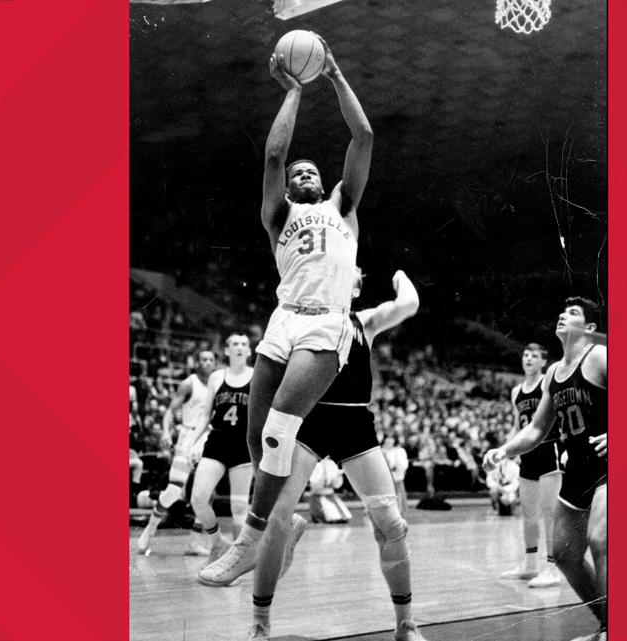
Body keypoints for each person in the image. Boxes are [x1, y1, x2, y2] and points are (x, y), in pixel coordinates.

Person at [199, 36, 373, 586]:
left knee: (279, 426)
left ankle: (248, 542)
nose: (302, 174)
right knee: (257, 442)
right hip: (283, 318)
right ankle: (283, 520)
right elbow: (274, 154)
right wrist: (295, 91)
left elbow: (363, 135)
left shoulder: (342, 206)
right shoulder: (279, 216)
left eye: (309, 171)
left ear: (323, 182)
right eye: (297, 174)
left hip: (326, 321)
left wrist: (335, 76)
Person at [242, 270, 426, 641]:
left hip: (355, 423)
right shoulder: (299, 320)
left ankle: (405, 623)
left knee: (391, 523)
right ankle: (260, 625)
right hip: (309, 420)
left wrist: (401, 275)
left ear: (356, 288)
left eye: (351, 275)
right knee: (277, 520)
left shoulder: (365, 321)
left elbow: (409, 304)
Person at [483, 297, 607, 634]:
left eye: (573, 313)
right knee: (566, 555)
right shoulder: (554, 373)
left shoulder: (599, 356)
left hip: (609, 465)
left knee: (600, 540)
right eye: (562, 311)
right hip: (578, 469)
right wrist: (504, 450)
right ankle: (607, 623)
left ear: (591, 328)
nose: (563, 315)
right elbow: (537, 428)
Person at [181, 333, 255, 563]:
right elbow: (205, 414)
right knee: (198, 498)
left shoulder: (257, 376)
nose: (240, 347)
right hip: (217, 441)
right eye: (235, 344)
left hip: (244, 445)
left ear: (250, 351)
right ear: (226, 350)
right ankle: (217, 541)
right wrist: (191, 442)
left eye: (244, 344)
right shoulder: (215, 377)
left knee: (240, 507)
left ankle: (235, 560)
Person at [136, 350, 216, 554]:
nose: (207, 362)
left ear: (215, 363)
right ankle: (150, 530)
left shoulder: (217, 384)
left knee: (208, 492)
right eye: (203, 359)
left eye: (210, 360)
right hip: (188, 436)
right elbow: (170, 411)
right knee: (174, 490)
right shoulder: (189, 384)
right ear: (196, 363)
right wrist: (165, 431)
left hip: (208, 437)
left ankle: (194, 542)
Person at [501, 343, 564, 589]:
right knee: (528, 514)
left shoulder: (547, 383)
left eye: (534, 355)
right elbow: (517, 427)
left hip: (550, 449)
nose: (528, 358)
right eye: (526, 355)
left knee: (549, 513)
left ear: (543, 362)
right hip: (528, 455)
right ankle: (530, 565)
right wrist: (505, 451)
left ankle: (552, 568)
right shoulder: (517, 391)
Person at [381, 434, 409, 515]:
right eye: (387, 438)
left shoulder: (399, 451)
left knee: (398, 493)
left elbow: (402, 465)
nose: (389, 440)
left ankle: (399, 512)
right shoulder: (381, 450)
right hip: (383, 477)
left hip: (396, 477)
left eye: (391, 438)